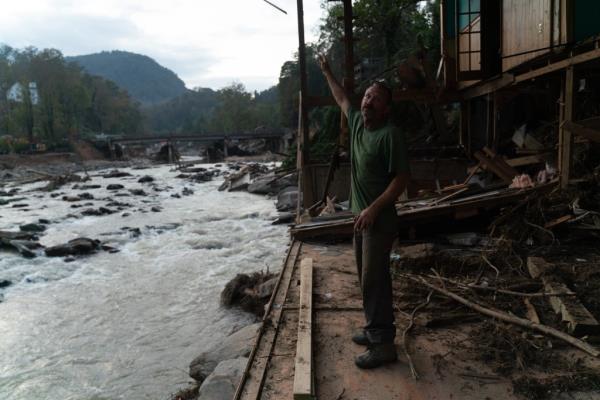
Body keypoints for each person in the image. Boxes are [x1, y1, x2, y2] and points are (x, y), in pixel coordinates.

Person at [318, 54, 410, 369]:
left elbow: (401, 179)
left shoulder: (390, 135)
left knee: (376, 281)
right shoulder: (358, 123)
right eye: (368, 96)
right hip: (360, 218)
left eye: (376, 99)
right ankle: (374, 331)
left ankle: (383, 344)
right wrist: (328, 70)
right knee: (365, 278)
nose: (368, 101)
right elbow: (342, 97)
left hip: (379, 221)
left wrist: (372, 208)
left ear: (386, 108)